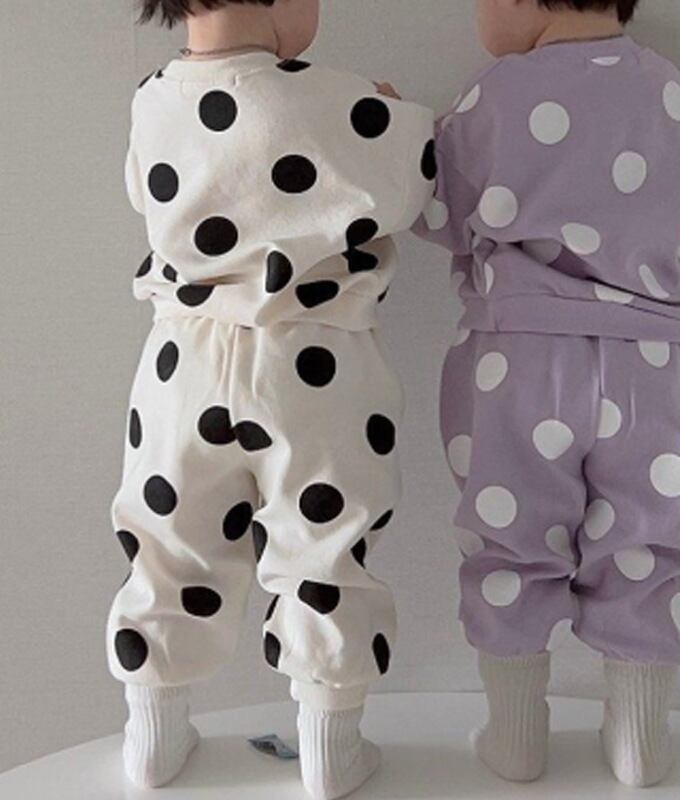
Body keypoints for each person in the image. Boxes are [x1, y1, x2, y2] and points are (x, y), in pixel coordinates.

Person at [107, 1, 434, 795]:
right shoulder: (334, 98)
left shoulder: (152, 101)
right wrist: (390, 114)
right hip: (313, 358)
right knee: (325, 545)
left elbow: (148, 199)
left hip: (182, 360)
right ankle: (329, 746)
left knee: (169, 539)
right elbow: (412, 179)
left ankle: (153, 735)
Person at [414, 0, 680, 787]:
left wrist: (403, 134)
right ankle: (640, 740)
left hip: (521, 361)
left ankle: (515, 737)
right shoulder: (665, 87)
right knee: (651, 542)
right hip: (654, 362)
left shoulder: (499, 92)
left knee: (510, 538)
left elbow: (439, 206)